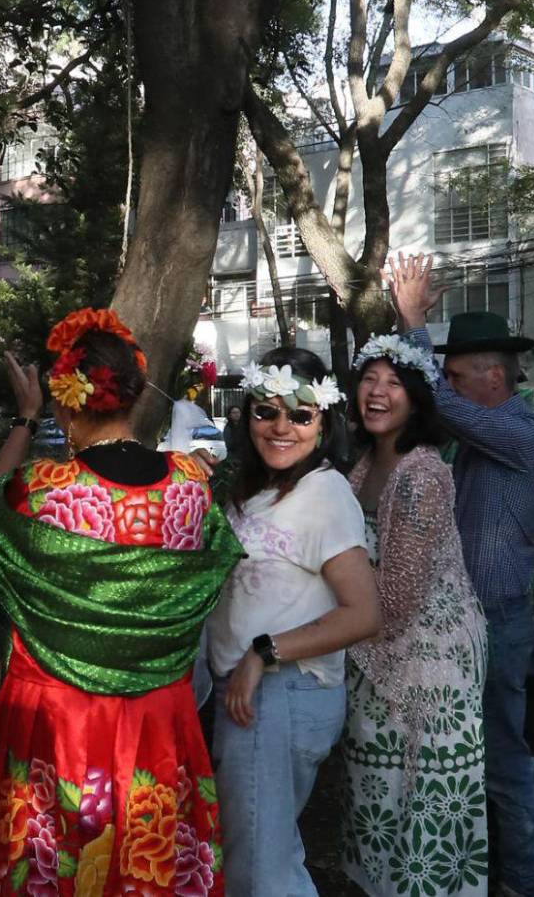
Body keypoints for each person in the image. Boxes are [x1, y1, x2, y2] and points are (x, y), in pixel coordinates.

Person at [0, 307, 244, 896]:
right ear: (135, 396)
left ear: (65, 403)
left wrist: (25, 419)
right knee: (149, 862)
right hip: (158, 716)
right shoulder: (190, 485)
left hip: (55, 719)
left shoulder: (41, 491)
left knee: (48, 861)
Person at [388, 253, 534, 897]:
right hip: (470, 622)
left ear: (493, 377)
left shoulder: (519, 433)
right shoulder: (484, 434)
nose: (449, 386)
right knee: (470, 754)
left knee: (502, 759)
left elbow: (440, 406)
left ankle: (521, 883)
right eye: (447, 375)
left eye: (457, 375)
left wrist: (409, 323)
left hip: (500, 620)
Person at [205, 347, 380, 897]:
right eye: (267, 412)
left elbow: (365, 612)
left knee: (262, 869)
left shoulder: (323, 493)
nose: (282, 427)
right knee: (259, 854)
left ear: (323, 422)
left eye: (300, 415)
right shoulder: (252, 489)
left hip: (282, 694)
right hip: (246, 697)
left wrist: (264, 652)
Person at [339, 334, 489, 896]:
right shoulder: (363, 464)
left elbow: (397, 600)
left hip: (431, 669)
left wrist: (317, 638)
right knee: (377, 798)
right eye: (369, 380)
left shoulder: (421, 473)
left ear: (417, 400)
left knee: (422, 808)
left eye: (394, 383)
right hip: (375, 654)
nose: (377, 393)